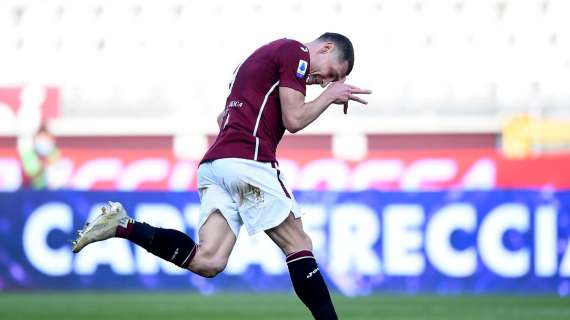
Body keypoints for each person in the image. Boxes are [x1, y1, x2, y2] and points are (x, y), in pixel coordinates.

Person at [72, 32, 371, 320]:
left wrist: (321, 95)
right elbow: (294, 119)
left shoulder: (254, 61)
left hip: (215, 165)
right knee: (298, 244)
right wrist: (330, 96)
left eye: (332, 82)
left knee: (209, 260)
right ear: (326, 48)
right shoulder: (296, 51)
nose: (326, 82)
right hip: (247, 161)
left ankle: (124, 226)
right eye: (332, 74)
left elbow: (223, 118)